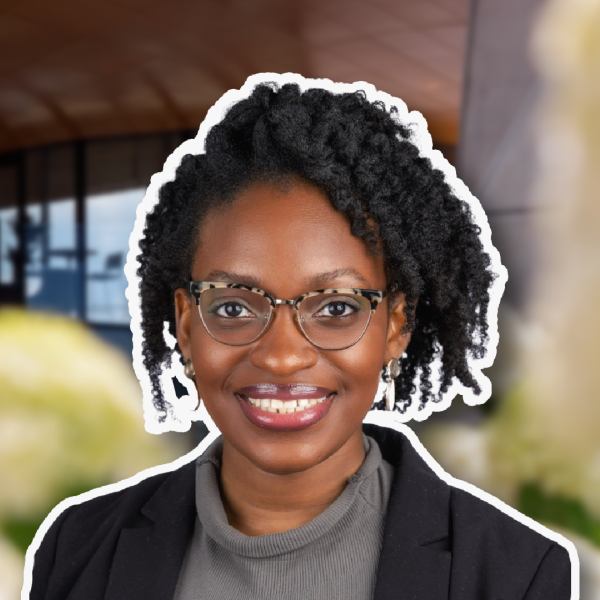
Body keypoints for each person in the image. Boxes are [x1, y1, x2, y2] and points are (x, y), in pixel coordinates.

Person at [27, 74, 575, 600]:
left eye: (337, 307)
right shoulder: (77, 549)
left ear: (396, 328)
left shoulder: (513, 575)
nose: (283, 357)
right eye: (235, 306)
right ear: (187, 324)